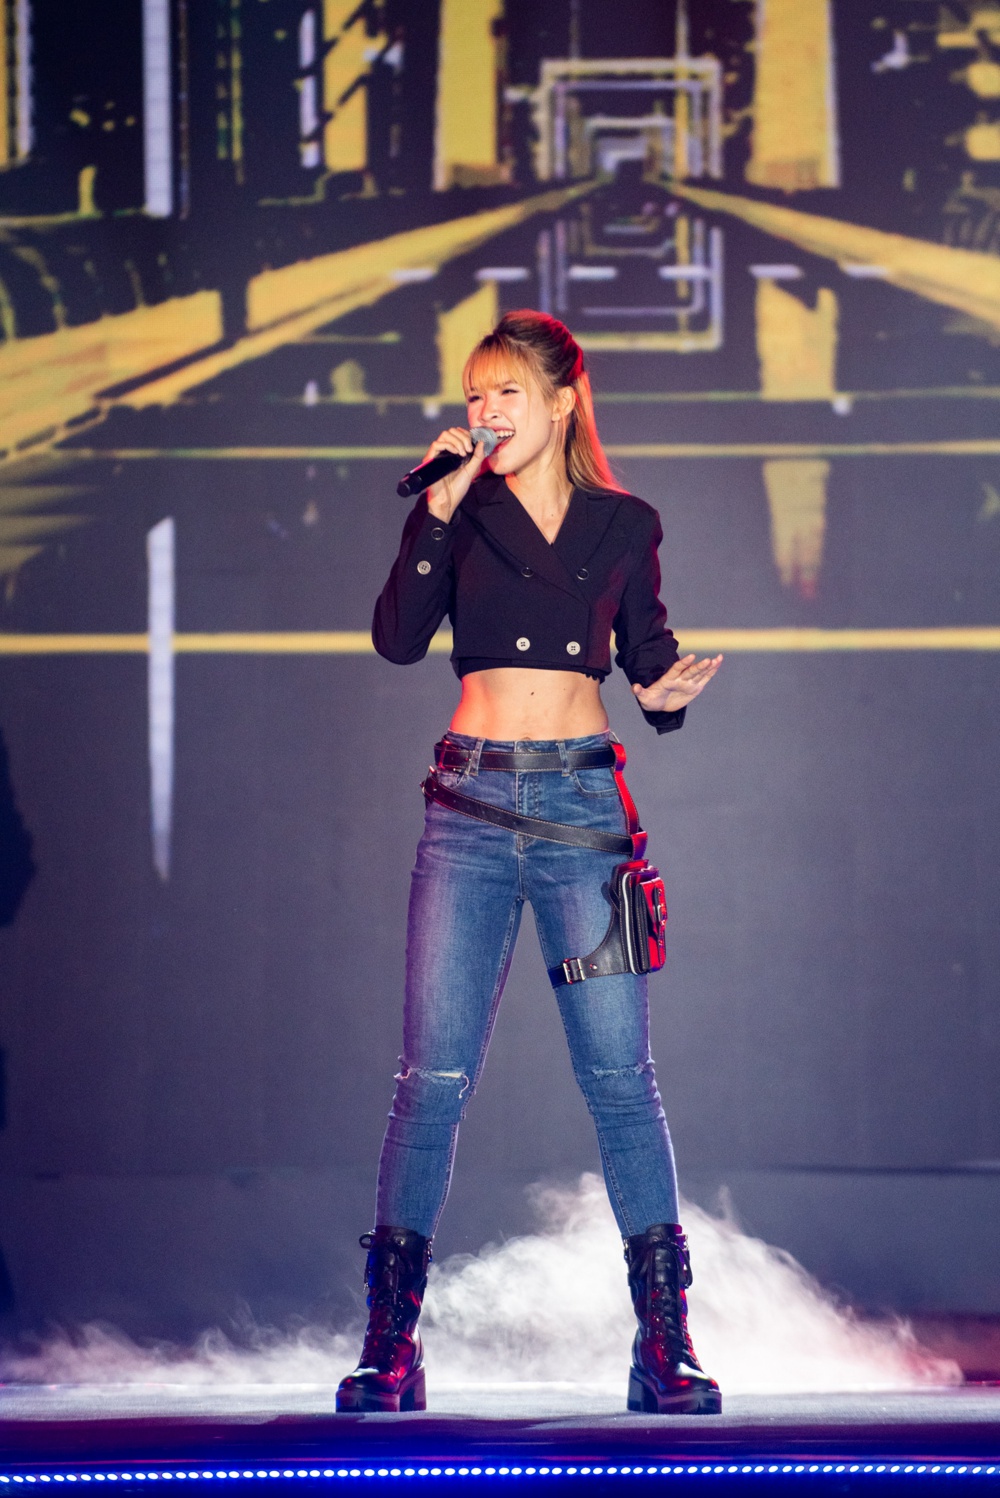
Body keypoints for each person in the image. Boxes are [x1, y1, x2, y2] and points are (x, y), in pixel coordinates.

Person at [336, 310, 723, 1417]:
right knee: (431, 1078)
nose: (486, 413)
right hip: (468, 805)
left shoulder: (624, 523)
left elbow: (646, 654)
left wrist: (663, 692)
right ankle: (391, 1344)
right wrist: (435, 511)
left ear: (561, 403)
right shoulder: (458, 511)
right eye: (474, 395)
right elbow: (397, 637)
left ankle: (663, 1342)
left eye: (506, 393)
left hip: (583, 813)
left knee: (620, 1078)